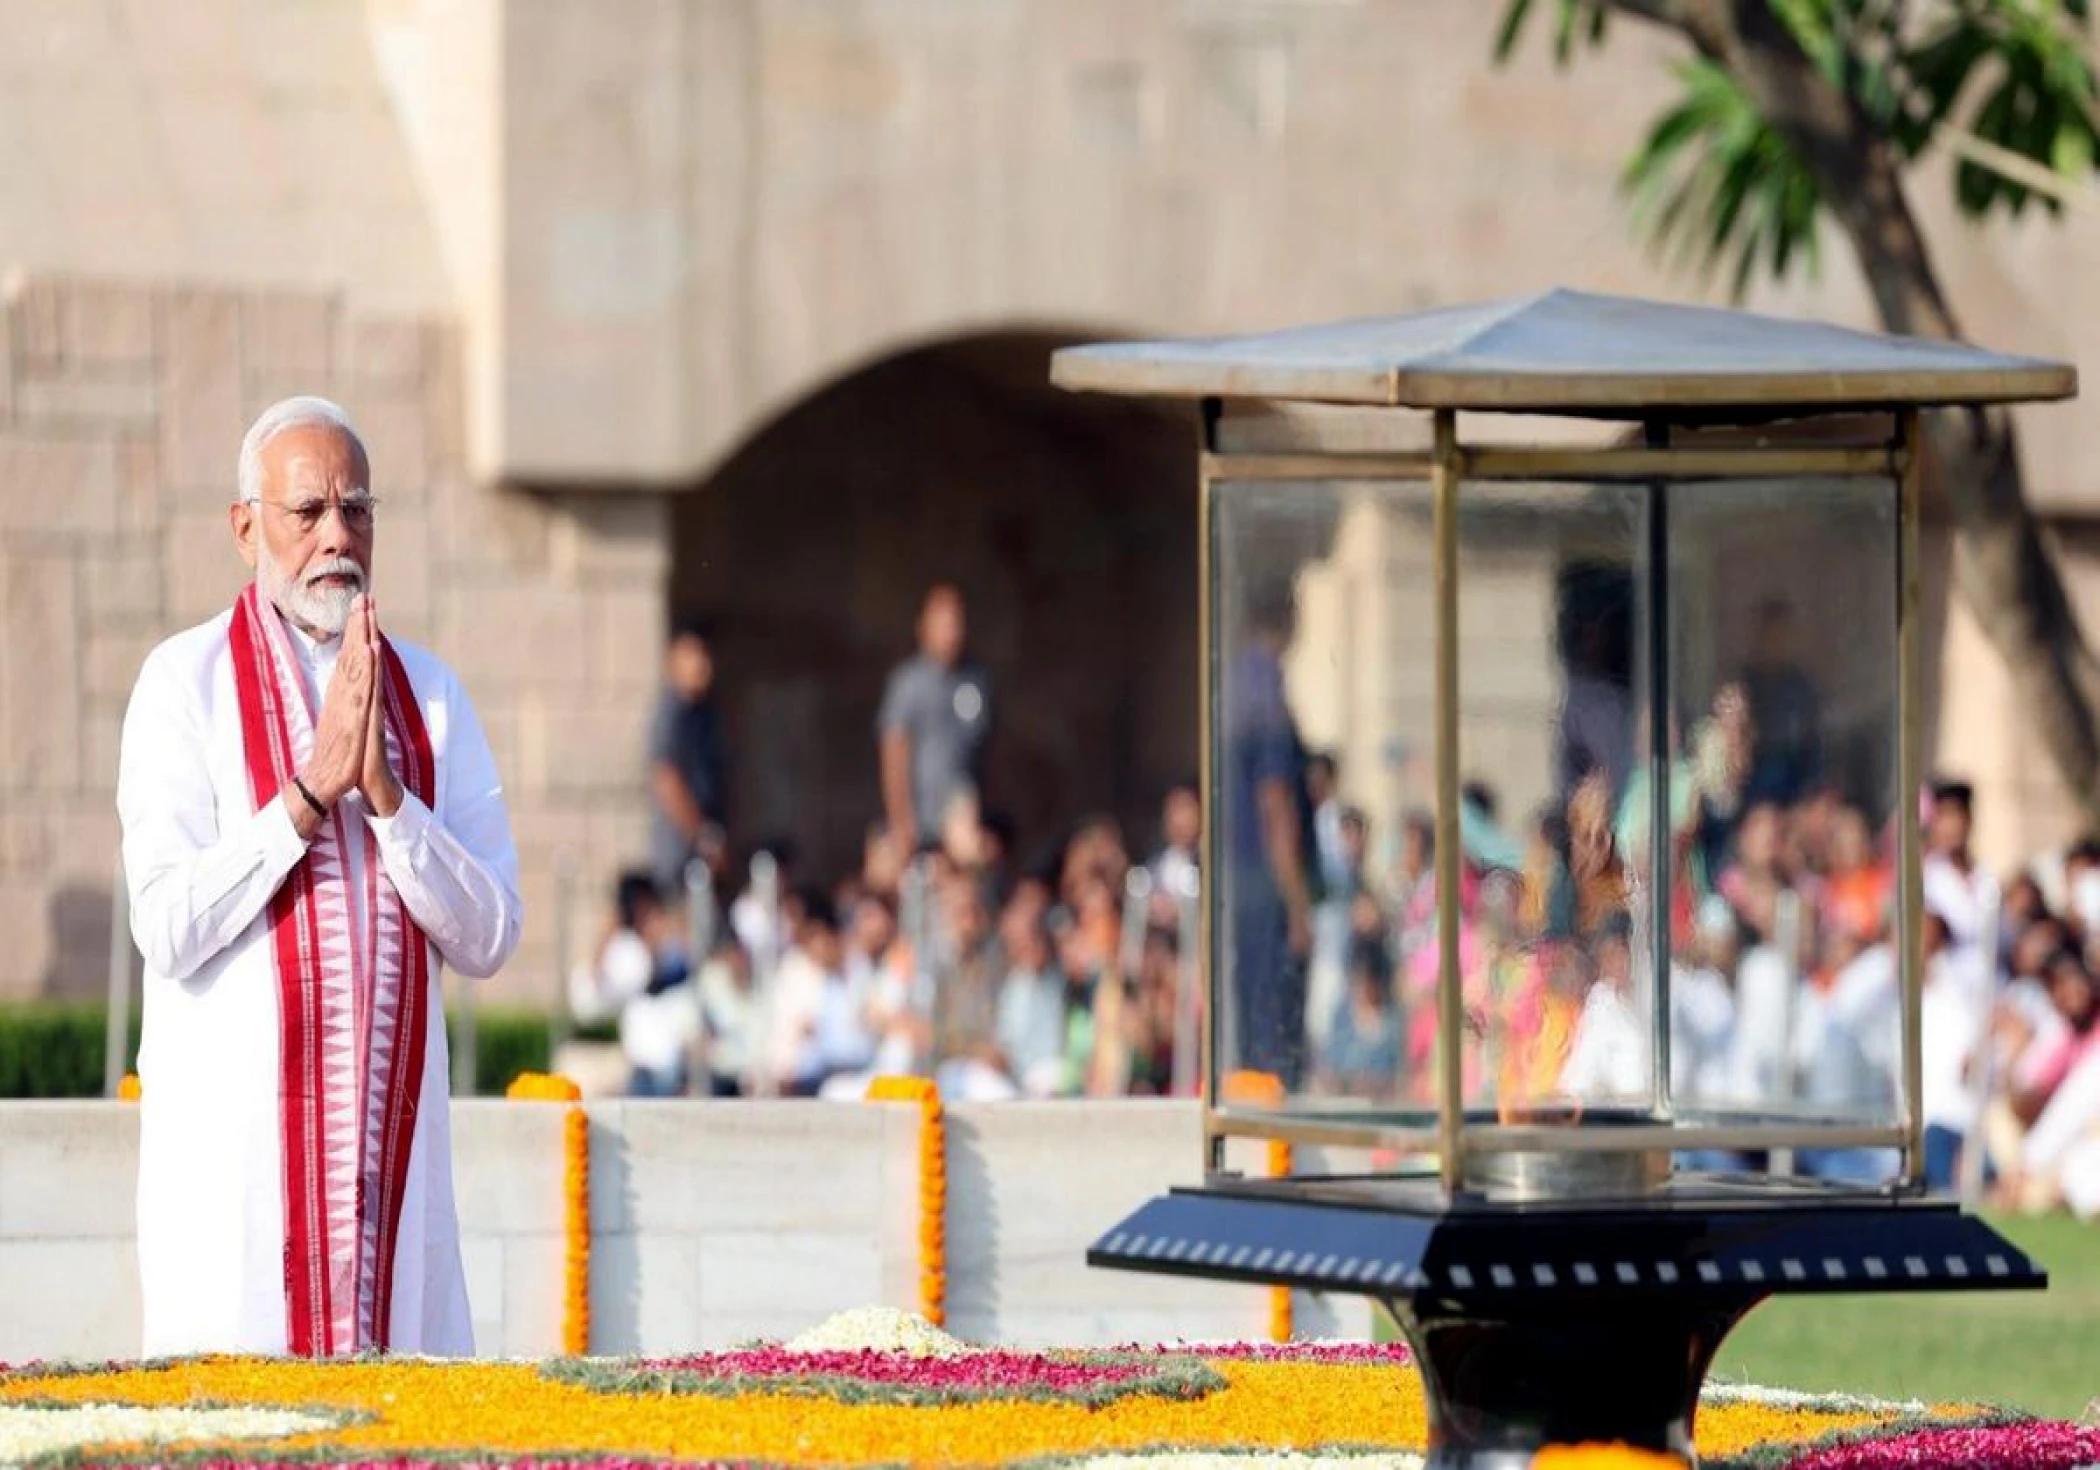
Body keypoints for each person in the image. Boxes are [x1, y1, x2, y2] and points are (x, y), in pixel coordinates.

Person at [117, 396, 521, 1359]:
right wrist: (305, 797)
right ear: (245, 524)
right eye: (309, 512)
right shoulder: (184, 684)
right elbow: (167, 922)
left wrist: (387, 799)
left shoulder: (428, 695)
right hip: (240, 1208)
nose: (338, 536)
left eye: (358, 510)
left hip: (392, 1191)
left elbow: (493, 935)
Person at [877, 583, 993, 855]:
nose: (951, 633)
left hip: (964, 813)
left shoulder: (976, 680)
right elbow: (894, 751)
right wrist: (901, 821)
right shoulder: (908, 683)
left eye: (956, 623)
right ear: (924, 627)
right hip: (921, 819)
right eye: (943, 624)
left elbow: (987, 751)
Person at [648, 617, 730, 896]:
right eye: (692, 654)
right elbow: (666, 777)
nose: (701, 664)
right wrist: (702, 836)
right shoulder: (672, 712)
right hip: (681, 854)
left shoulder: (704, 712)